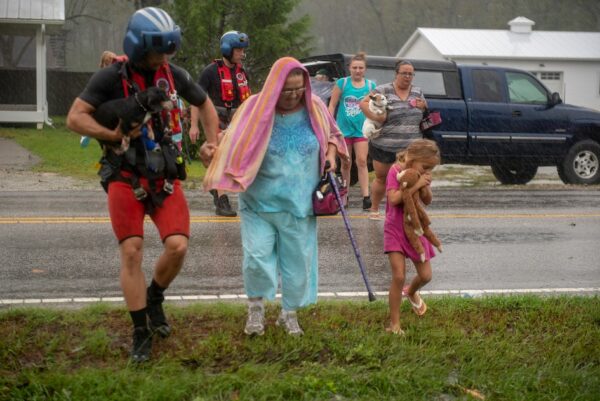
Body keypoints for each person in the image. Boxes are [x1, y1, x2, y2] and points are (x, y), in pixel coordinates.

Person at [66, 7, 219, 363]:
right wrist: (112, 134)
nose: (163, 58)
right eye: (157, 51)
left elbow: (206, 104)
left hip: (164, 176)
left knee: (178, 246)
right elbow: (75, 117)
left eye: (168, 50)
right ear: (137, 47)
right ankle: (140, 332)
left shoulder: (173, 75)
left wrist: (214, 144)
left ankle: (155, 297)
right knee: (132, 249)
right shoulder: (109, 78)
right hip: (124, 175)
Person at [203, 57, 348, 336]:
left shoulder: (314, 107)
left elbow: (333, 134)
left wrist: (330, 154)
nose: (293, 96)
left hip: (301, 205)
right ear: (274, 86)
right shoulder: (254, 109)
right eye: (287, 90)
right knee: (256, 258)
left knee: (297, 265)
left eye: (298, 89)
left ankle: (289, 314)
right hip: (259, 202)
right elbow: (231, 140)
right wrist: (214, 151)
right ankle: (255, 311)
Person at [189, 30, 251, 217]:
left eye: (242, 50)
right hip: (215, 120)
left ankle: (219, 189)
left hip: (238, 120)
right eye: (238, 50)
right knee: (218, 156)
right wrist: (193, 125)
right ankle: (222, 199)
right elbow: (195, 98)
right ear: (227, 50)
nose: (242, 54)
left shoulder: (242, 72)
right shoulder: (210, 72)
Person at [384, 139, 440, 335]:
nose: (426, 171)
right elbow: (393, 199)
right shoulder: (395, 171)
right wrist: (415, 185)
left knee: (426, 276)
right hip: (395, 228)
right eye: (425, 167)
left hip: (415, 228)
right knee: (398, 275)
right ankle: (394, 324)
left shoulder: (421, 174)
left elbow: (427, 201)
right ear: (413, 158)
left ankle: (411, 291)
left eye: (430, 169)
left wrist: (426, 185)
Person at [360, 60, 428, 220]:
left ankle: (406, 211)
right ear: (396, 74)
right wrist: (377, 116)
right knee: (382, 178)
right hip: (384, 144)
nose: (407, 76)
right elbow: (362, 103)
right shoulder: (383, 90)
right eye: (404, 73)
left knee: (408, 179)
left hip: (411, 147)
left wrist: (423, 106)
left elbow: (425, 109)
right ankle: (374, 209)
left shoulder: (417, 91)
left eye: (410, 74)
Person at [328, 52, 375, 210]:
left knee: (361, 161)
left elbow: (374, 107)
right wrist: (330, 123)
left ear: (365, 69)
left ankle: (366, 197)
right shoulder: (342, 83)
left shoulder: (370, 86)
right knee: (345, 164)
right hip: (343, 130)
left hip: (361, 130)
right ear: (349, 68)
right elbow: (332, 104)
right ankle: (344, 195)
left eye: (361, 68)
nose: (357, 70)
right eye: (354, 67)